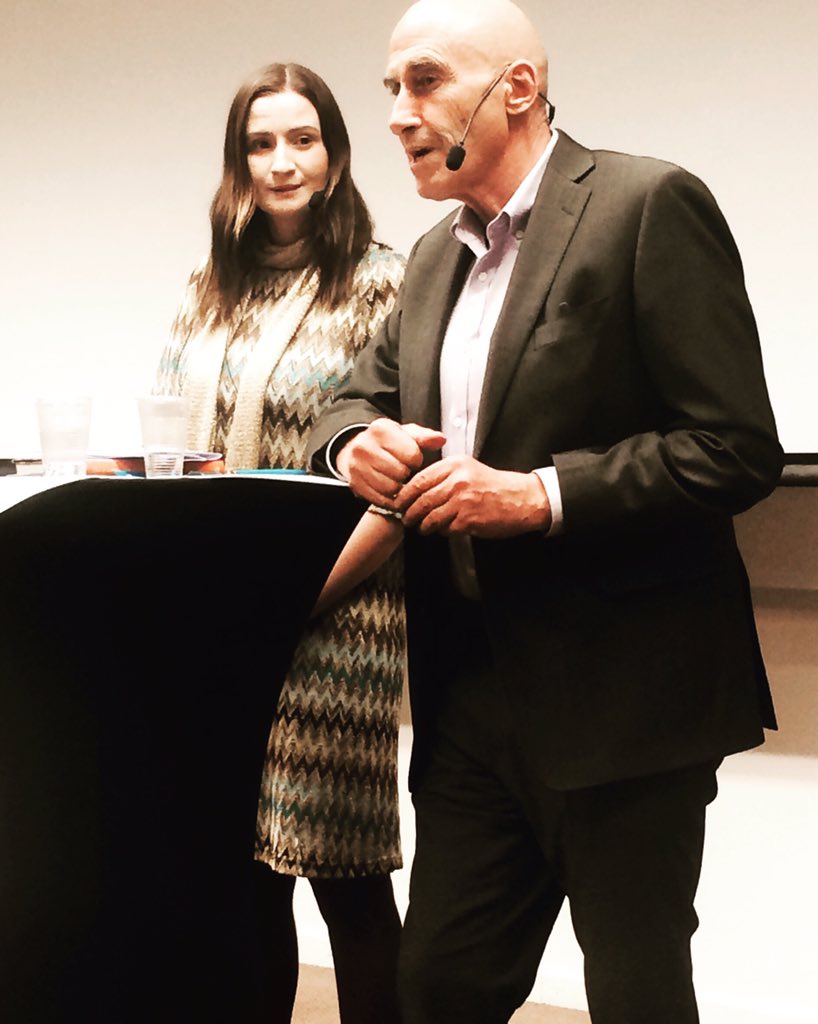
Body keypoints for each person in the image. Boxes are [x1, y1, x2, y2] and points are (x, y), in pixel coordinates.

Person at [306, 2, 784, 1022]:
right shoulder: (431, 258)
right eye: (390, 87)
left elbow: (733, 447)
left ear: (516, 88)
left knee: (635, 993)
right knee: (436, 988)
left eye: (424, 80)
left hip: (624, 698)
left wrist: (539, 495)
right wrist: (355, 444)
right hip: (469, 699)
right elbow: (350, 401)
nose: (396, 113)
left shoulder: (643, 205)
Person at [155, 63, 406, 1024]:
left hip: (339, 614)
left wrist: (296, 598)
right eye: (260, 143)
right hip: (220, 620)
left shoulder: (384, 283)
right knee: (244, 878)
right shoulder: (206, 286)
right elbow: (173, 439)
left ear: (335, 155)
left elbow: (401, 484)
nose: (281, 162)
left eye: (302, 139)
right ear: (239, 162)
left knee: (344, 874)